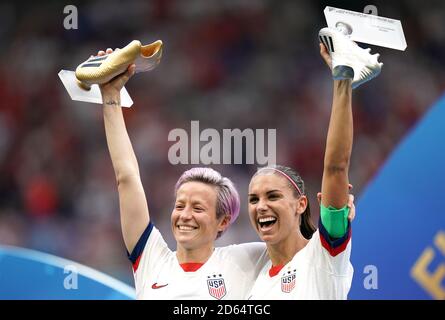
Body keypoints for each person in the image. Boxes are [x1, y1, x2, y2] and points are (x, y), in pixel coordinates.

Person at [98, 48, 267, 300]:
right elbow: (127, 177)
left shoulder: (248, 259)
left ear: (223, 221)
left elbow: (311, 250)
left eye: (198, 208)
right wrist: (111, 96)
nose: (185, 215)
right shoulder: (151, 259)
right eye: (180, 205)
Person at [246, 27, 382, 299]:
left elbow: (336, 167)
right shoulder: (253, 277)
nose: (261, 206)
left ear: (301, 204)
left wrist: (342, 79)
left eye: (272, 196)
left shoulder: (324, 255)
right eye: (253, 199)